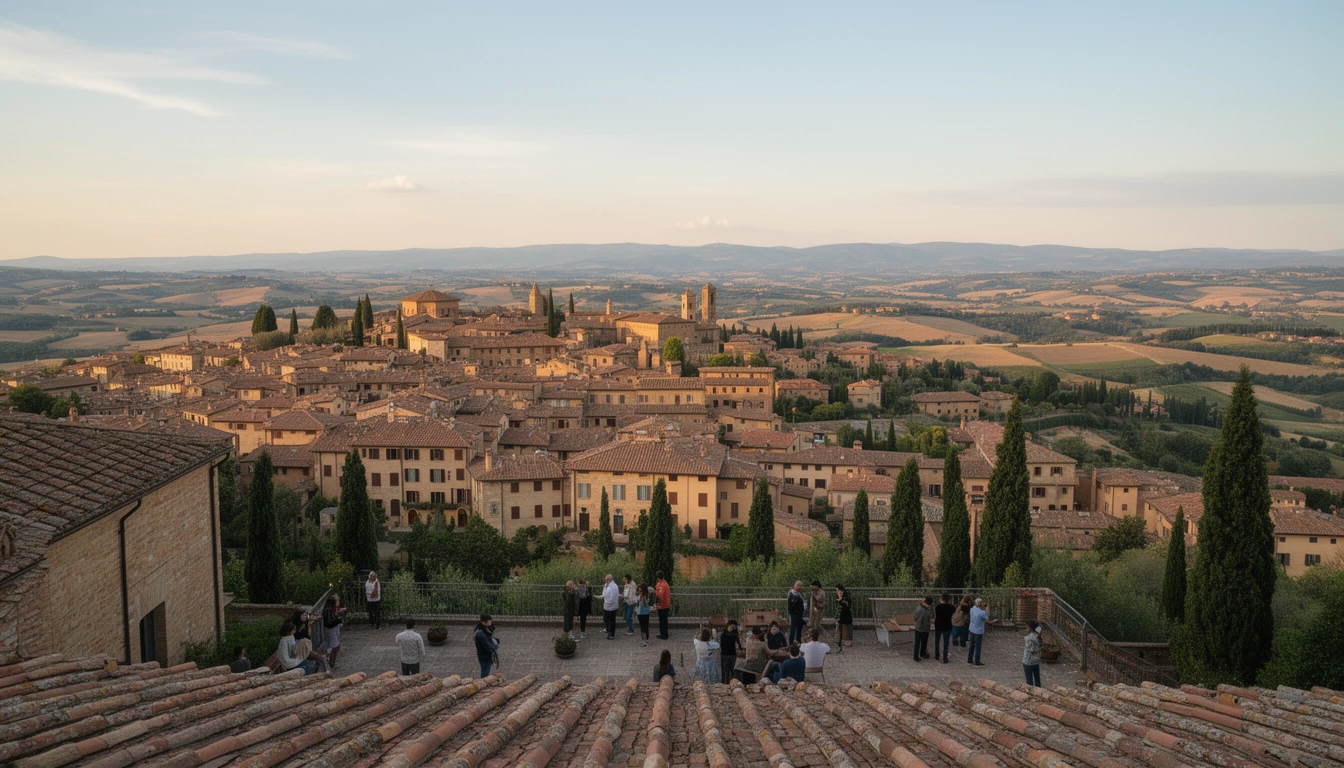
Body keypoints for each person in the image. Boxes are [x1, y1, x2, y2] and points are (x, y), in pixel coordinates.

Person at [322, 595, 348, 669]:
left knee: (335, 646)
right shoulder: (328, 611)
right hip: (330, 631)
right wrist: (338, 621)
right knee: (334, 646)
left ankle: (332, 662)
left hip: (333, 630)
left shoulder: (331, 611)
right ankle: (331, 662)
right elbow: (329, 624)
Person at [933, 593, 956, 663]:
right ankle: (945, 658)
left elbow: (936, 615)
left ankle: (937, 655)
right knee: (946, 642)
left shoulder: (938, 607)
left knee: (937, 641)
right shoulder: (952, 607)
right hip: (947, 625)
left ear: (941, 599)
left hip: (938, 625)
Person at [967, 598, 988, 666]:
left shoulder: (972, 609)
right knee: (978, 646)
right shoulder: (982, 612)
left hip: (972, 628)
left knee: (972, 644)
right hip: (978, 630)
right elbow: (986, 619)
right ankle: (977, 660)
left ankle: (969, 659)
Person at [1023, 619, 1043, 687]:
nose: (1026, 628)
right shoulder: (1038, 635)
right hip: (1036, 661)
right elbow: (1039, 627)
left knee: (1029, 682)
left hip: (1028, 661)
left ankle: (1031, 694)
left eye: (1027, 626)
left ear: (1030, 628)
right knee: (1037, 680)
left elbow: (1031, 650)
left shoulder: (1028, 638)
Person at [912, 596, 932, 662]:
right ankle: (922, 653)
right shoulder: (928, 609)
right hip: (925, 628)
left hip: (918, 627)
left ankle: (916, 656)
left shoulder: (918, 608)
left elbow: (915, 617)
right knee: (924, 642)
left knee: (917, 642)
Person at [786, 581, 806, 645]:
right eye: (797, 585)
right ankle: (791, 643)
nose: (799, 587)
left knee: (799, 629)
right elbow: (791, 603)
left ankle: (798, 642)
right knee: (793, 628)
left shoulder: (800, 593)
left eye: (800, 586)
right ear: (794, 586)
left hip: (800, 613)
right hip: (794, 613)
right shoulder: (792, 593)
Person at [602, 573, 620, 640]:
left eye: (606, 579)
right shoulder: (607, 585)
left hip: (611, 607)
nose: (605, 580)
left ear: (609, 579)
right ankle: (609, 631)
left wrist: (607, 602)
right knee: (607, 619)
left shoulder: (613, 586)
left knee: (611, 620)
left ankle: (611, 633)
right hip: (607, 606)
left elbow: (612, 597)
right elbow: (604, 594)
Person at [655, 571, 671, 640]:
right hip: (665, 605)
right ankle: (663, 633)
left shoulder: (662, 585)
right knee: (663, 620)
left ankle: (664, 634)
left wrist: (656, 603)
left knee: (662, 621)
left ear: (658, 578)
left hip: (662, 606)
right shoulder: (665, 583)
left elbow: (660, 595)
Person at [637, 582, 652, 646]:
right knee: (646, 626)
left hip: (641, 613)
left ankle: (644, 641)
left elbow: (640, 604)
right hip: (646, 613)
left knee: (642, 627)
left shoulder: (642, 596)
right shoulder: (647, 595)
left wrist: (640, 597)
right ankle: (646, 639)